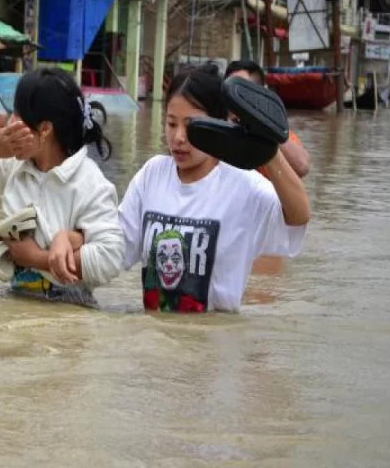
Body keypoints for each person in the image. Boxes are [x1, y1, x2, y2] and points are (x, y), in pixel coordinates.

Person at [118, 65, 310, 313]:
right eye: (171, 123)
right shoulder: (152, 174)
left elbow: (298, 216)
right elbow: (114, 246)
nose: (178, 137)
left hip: (213, 344)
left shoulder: (244, 185)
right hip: (155, 341)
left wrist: (268, 151)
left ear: (219, 124)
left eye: (190, 125)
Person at [0, 67, 125, 306]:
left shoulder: (90, 183)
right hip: (17, 301)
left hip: (70, 309)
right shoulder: (15, 167)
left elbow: (111, 258)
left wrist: (38, 258)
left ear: (45, 129)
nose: (10, 124)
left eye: (17, 117)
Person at [224, 60, 310, 178]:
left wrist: (261, 125)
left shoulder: (275, 133)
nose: (236, 98)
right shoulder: (218, 127)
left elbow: (302, 167)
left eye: (242, 91)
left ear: (259, 94)